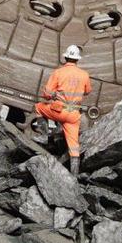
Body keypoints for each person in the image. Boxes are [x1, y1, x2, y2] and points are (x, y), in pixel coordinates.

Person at [33, 45, 91, 175]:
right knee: (74, 146)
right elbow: (87, 91)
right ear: (77, 59)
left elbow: (47, 94)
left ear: (65, 58)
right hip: (73, 115)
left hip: (58, 111)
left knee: (38, 107)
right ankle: (74, 175)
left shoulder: (58, 72)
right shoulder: (84, 74)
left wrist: (53, 95)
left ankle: (46, 136)